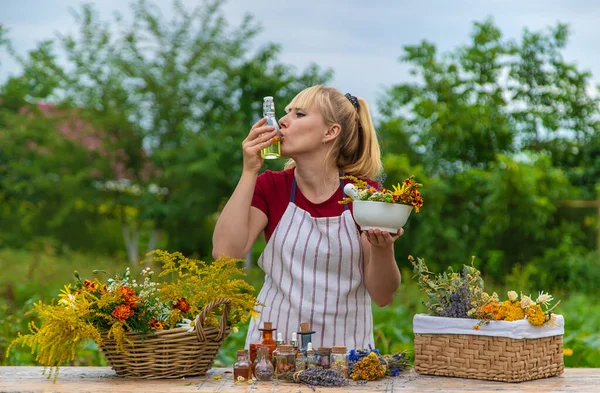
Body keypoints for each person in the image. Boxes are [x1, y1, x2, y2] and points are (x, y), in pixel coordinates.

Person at [212, 85, 403, 350]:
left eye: (299, 114)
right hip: (273, 356)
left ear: (331, 131)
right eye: (287, 112)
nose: (282, 120)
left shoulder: (365, 196)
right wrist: (249, 171)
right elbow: (224, 255)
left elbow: (383, 296)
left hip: (346, 360)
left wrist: (385, 249)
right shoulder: (270, 187)